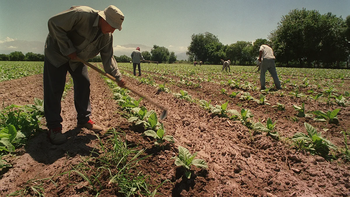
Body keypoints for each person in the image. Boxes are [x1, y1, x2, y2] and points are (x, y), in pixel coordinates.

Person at [44, 5, 126, 145]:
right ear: (103, 19)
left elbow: (108, 57)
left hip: (77, 60)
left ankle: (84, 119)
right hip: (57, 54)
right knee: (55, 88)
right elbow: (53, 23)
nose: (113, 30)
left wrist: (117, 77)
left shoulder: (107, 36)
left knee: (83, 83)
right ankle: (54, 127)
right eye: (112, 26)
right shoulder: (81, 14)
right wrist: (68, 48)